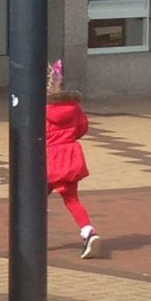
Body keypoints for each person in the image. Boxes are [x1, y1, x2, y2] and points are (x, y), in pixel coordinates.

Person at [46, 59, 101, 259]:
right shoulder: (74, 108)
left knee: (32, 199)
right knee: (71, 199)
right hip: (70, 156)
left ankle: (30, 237)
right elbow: (82, 129)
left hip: (49, 159)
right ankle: (88, 231)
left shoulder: (41, 110)